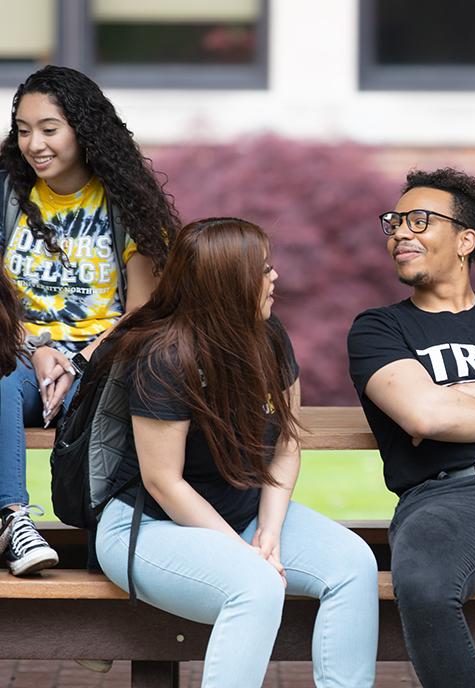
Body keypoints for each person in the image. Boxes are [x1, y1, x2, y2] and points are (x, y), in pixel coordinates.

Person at [95, 217, 379, 688]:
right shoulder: (165, 357)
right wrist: (244, 552)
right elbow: (163, 482)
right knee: (256, 585)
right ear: (226, 283)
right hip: (147, 527)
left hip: (245, 511)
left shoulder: (269, 338)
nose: (275, 278)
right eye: (262, 270)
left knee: (354, 563)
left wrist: (267, 532)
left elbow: (287, 444)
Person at [348, 168, 475, 688]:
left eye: (420, 220)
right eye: (394, 222)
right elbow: (426, 416)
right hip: (442, 503)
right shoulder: (379, 328)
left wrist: (453, 395)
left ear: (466, 240)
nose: (399, 233)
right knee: (419, 581)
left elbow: (439, 408)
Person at [0, 65, 180, 577]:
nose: (34, 143)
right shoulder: (6, 197)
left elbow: (143, 311)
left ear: (83, 129)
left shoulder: (125, 203)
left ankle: (114, 550)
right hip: (18, 355)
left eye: (49, 128)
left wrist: (79, 361)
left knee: (121, 401)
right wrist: (35, 349)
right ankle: (12, 521)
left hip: (100, 363)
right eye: (23, 128)